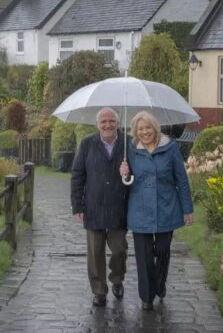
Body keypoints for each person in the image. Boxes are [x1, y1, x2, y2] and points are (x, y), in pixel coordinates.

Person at [119, 111, 193, 311]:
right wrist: (125, 174)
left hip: (166, 207)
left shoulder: (170, 147)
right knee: (143, 256)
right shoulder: (131, 150)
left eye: (148, 127)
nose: (145, 132)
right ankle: (146, 296)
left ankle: (160, 282)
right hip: (139, 208)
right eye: (140, 129)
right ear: (135, 131)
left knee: (162, 250)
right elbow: (126, 183)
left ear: (155, 128)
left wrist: (187, 209)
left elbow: (182, 180)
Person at [71, 107, 129, 307]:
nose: (107, 125)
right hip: (93, 206)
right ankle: (99, 291)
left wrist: (128, 173)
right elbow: (78, 175)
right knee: (95, 253)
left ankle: (117, 279)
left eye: (111, 120)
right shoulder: (87, 144)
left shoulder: (128, 144)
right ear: (97, 125)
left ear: (117, 123)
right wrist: (77, 205)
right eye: (103, 121)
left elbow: (137, 175)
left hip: (118, 206)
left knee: (119, 250)